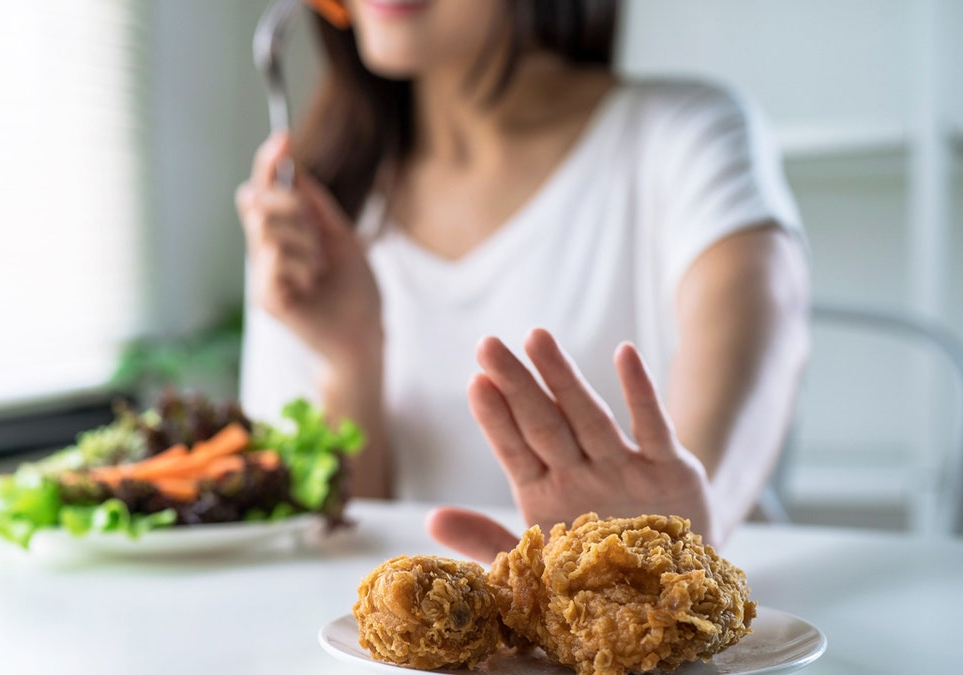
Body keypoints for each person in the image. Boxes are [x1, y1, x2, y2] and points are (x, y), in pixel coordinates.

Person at [235, 0, 808, 562]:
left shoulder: (686, 135)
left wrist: (679, 539)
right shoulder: (316, 215)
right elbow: (337, 555)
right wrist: (349, 359)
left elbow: (767, 326)